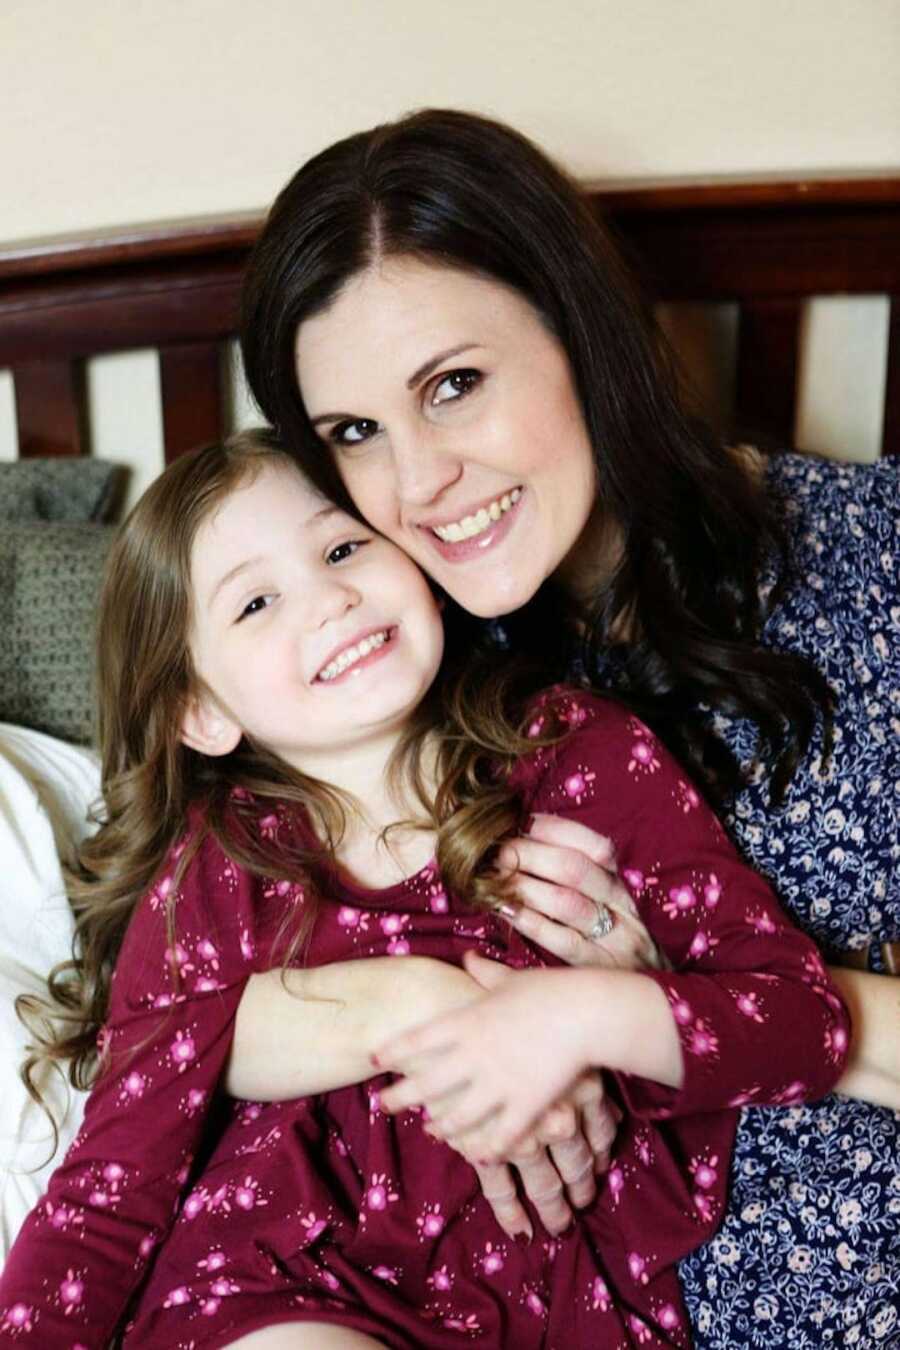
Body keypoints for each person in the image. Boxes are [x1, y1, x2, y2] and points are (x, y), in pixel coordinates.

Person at [238, 109, 900, 1345]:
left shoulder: (877, 571)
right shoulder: (382, 657)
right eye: (355, 434)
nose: (417, 482)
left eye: (454, 385)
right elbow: (183, 1004)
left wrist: (669, 1009)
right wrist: (438, 1007)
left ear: (581, 335)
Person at [0, 435, 849, 1349]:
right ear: (201, 712)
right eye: (254, 602)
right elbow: (110, 1189)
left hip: (557, 1294)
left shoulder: (576, 757)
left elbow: (800, 1021)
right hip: (281, 1280)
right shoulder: (212, 874)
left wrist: (586, 1017)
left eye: (341, 548)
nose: (330, 599)